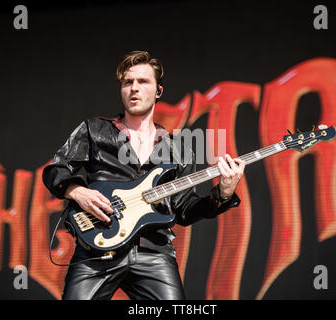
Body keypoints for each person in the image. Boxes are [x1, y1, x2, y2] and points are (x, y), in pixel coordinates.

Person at [42, 51, 246, 300]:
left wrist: (223, 193)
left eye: (143, 82)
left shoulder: (179, 149)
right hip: (97, 249)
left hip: (154, 252)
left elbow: (184, 211)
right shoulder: (94, 130)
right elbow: (56, 169)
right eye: (128, 82)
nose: (134, 89)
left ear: (158, 91)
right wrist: (78, 192)